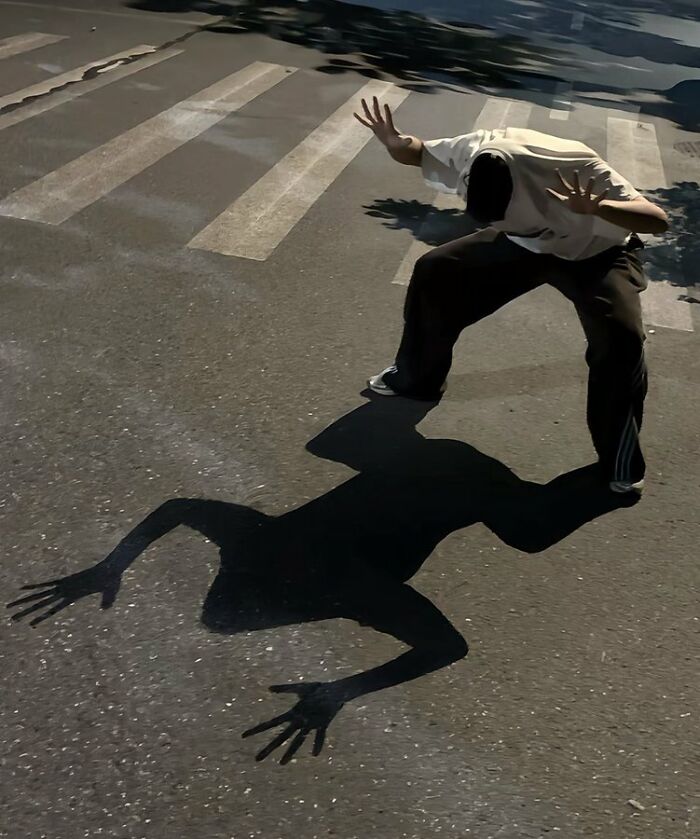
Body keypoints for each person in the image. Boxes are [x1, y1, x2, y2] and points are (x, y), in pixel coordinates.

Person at [353, 96, 670, 496]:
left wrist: (601, 207)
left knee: (621, 338)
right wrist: (396, 142)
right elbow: (418, 153)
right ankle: (416, 378)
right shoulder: (479, 149)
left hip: (597, 254)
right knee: (435, 271)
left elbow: (657, 220)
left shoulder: (577, 165)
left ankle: (620, 459)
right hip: (525, 248)